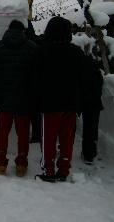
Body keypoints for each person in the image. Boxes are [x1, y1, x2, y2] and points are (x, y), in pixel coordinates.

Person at [33, 16, 86, 182]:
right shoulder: (76, 52)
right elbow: (83, 77)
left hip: (49, 103)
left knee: (48, 138)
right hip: (70, 103)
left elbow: (34, 77)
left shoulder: (42, 51)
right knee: (66, 138)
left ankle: (48, 170)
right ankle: (63, 170)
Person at [0, 20, 37, 177]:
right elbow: (37, 69)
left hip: (3, 95)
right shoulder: (31, 47)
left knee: (2, 130)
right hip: (24, 96)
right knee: (23, 131)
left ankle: (1, 162)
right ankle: (22, 163)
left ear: (8, 29)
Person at [81, 52, 104, 165]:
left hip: (83, 104)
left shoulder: (81, 73)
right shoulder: (97, 74)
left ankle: (86, 153)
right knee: (92, 129)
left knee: (84, 128)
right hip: (94, 105)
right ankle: (90, 153)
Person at [25, 20, 42, 143]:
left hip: (25, 80)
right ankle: (37, 133)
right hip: (39, 81)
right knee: (37, 110)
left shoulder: (22, 43)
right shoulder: (38, 42)